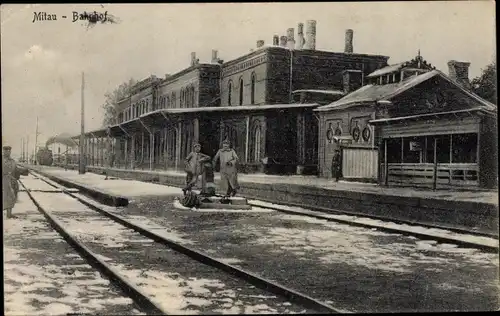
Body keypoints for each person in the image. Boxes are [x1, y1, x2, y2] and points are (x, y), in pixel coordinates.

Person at [3, 146, 20, 218]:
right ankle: (9, 214)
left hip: (12, 180)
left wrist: (24, 171)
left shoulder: (12, 161)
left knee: (12, 196)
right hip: (4, 179)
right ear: (3, 151)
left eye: (9, 151)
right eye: (6, 151)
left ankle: (9, 214)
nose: (8, 152)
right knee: (7, 196)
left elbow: (16, 170)